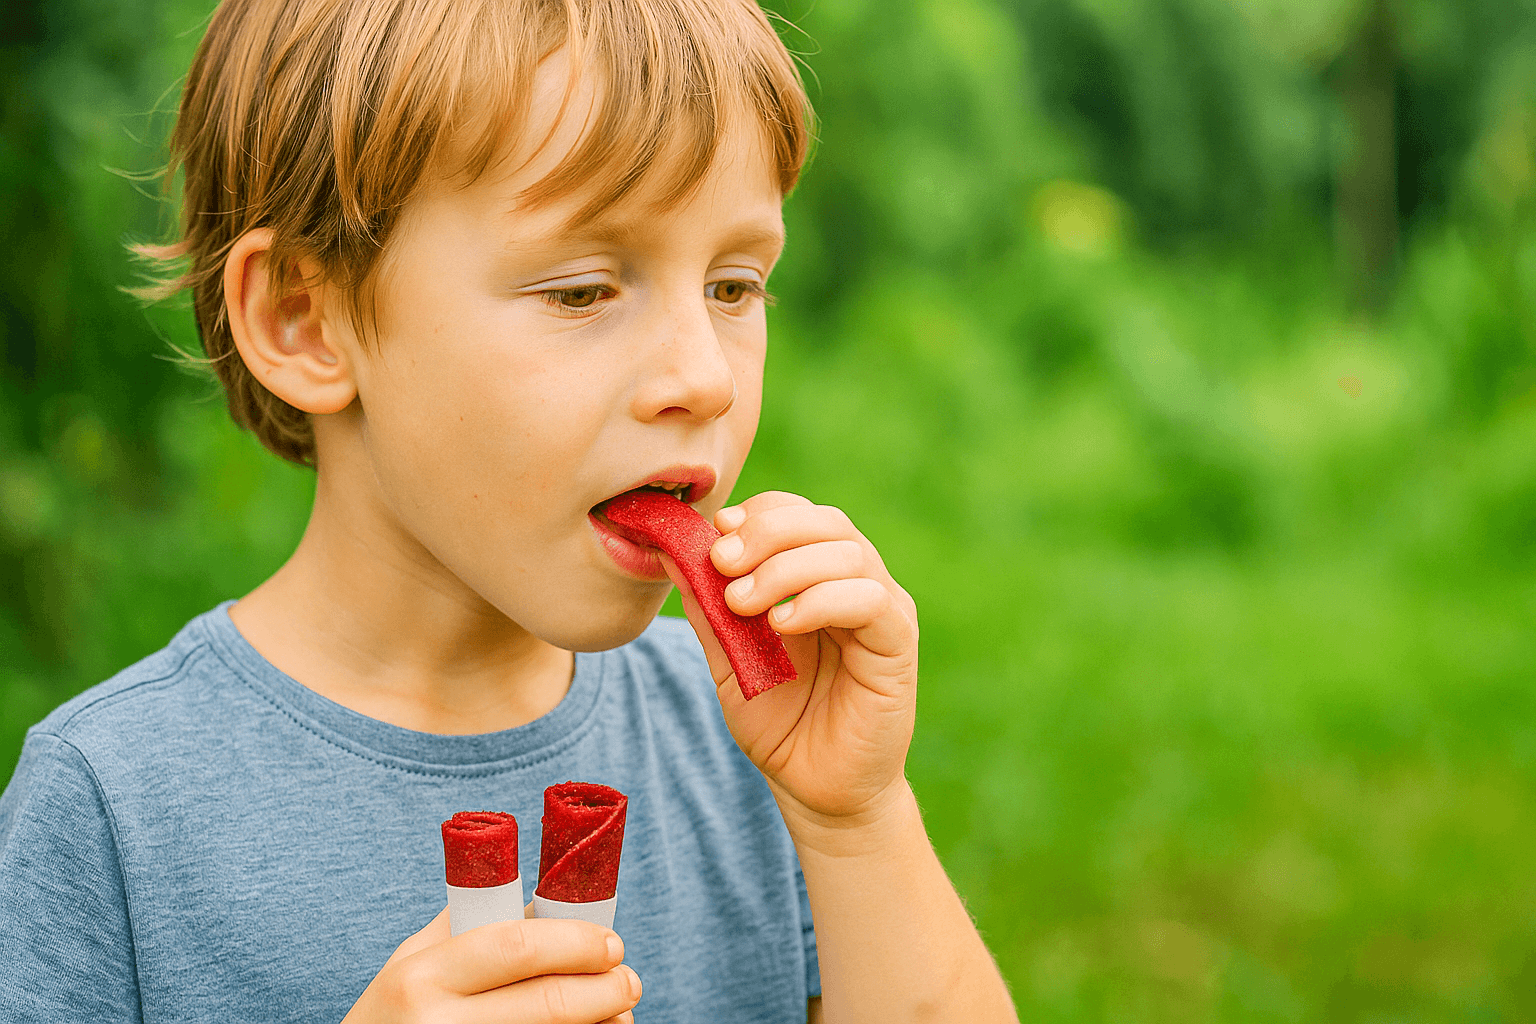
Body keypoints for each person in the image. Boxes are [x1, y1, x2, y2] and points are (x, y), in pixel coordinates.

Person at [0, 1, 1018, 1021]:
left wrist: (857, 819)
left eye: (733, 285)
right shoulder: (113, 806)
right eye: (581, 291)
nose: (704, 378)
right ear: (303, 318)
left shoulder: (748, 735)